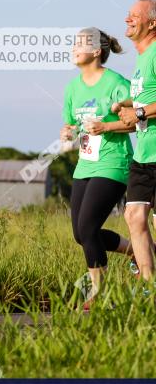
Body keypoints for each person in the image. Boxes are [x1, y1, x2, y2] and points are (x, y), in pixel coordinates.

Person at [62, 27, 136, 308]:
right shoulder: (73, 87)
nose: (73, 48)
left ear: (96, 51)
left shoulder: (116, 83)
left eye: (79, 44)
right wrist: (67, 132)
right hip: (85, 164)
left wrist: (107, 126)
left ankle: (99, 294)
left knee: (89, 226)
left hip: (113, 163)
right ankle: (136, 251)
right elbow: (71, 124)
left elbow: (137, 118)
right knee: (80, 235)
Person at [114, 0, 156, 285]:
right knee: (134, 216)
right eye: (127, 15)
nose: (128, 20)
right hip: (143, 153)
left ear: (152, 23)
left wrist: (138, 110)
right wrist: (127, 105)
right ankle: (148, 285)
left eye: (134, 16)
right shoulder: (141, 59)